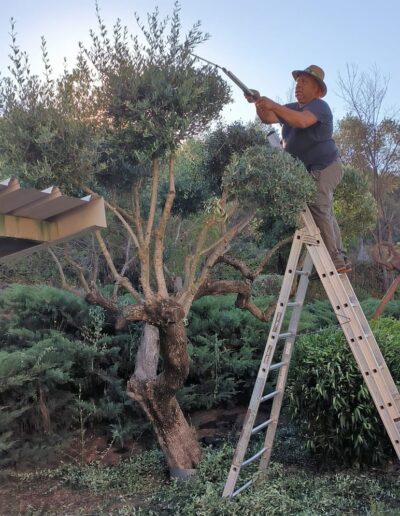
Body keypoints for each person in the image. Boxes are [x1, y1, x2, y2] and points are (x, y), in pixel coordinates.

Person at [247, 65, 351, 274]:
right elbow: (267, 118)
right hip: (310, 169)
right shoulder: (291, 108)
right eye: (297, 82)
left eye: (304, 82)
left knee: (318, 202)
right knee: (325, 210)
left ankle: (335, 259)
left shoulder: (320, 107)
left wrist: (273, 104)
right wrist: (258, 102)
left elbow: (302, 122)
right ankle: (339, 254)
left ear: (318, 90)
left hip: (328, 165)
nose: (298, 86)